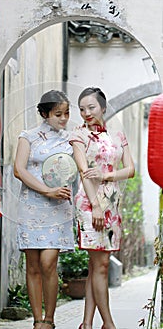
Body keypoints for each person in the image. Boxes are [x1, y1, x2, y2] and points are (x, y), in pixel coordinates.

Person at [69, 87, 135, 329]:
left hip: (112, 205)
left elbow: (130, 169)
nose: (86, 113)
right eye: (82, 109)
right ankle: (108, 323)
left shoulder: (118, 135)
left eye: (91, 107)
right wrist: (95, 206)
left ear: (103, 108)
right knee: (102, 265)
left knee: (97, 265)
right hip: (90, 204)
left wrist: (107, 175)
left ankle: (86, 323)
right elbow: (84, 172)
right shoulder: (78, 135)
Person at [14, 90, 75, 329]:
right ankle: (38, 321)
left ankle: (50, 319)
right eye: (58, 114)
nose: (63, 118)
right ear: (44, 113)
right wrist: (46, 191)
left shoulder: (71, 139)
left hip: (58, 209)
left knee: (49, 262)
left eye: (67, 113)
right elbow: (19, 170)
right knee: (32, 265)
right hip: (31, 206)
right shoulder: (27, 137)